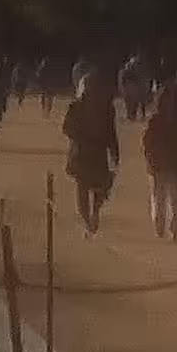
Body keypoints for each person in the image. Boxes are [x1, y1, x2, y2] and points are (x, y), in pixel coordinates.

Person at [62, 71, 120, 236]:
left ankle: (91, 216)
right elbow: (67, 128)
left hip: (88, 153)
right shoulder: (79, 107)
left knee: (91, 189)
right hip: (90, 152)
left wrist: (115, 152)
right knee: (94, 188)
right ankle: (90, 218)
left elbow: (111, 132)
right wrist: (114, 152)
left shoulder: (104, 108)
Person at [143, 73, 177, 241]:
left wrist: (151, 154)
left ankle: (160, 227)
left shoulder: (155, 120)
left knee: (159, 197)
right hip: (176, 162)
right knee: (176, 198)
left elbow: (147, 141)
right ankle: (174, 229)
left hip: (159, 162)